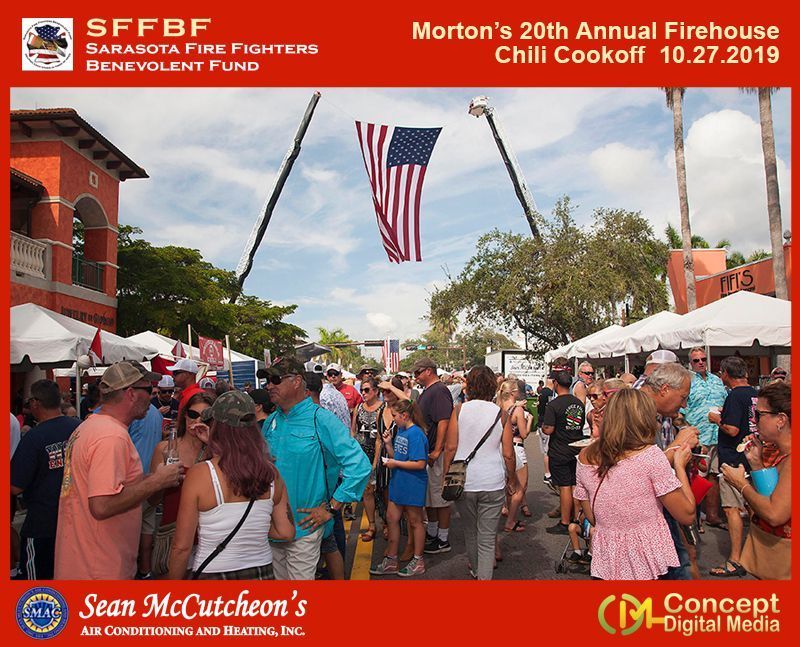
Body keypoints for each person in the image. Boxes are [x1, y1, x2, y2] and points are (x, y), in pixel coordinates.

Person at [54, 361, 183, 579]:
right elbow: (102, 505)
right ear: (131, 393)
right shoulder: (111, 436)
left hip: (83, 562)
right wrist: (156, 481)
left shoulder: (90, 426)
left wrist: (154, 478)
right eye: (148, 389)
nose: (151, 395)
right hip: (100, 569)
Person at [263, 357, 370, 580]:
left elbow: (359, 465)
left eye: (275, 380)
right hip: (270, 528)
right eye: (267, 381)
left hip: (304, 529)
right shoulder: (270, 421)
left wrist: (332, 507)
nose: (269, 385)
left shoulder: (320, 419)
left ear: (296, 381)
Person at [168, 391, 294, 579]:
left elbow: (181, 547)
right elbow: (286, 532)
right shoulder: (271, 474)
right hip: (262, 574)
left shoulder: (201, 474)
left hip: (214, 574)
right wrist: (252, 530)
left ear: (217, 428)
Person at [574, 389, 696, 580]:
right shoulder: (650, 456)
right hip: (648, 559)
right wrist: (680, 466)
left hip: (607, 558)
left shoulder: (584, 457)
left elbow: (591, 514)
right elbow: (687, 514)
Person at [443, 366, 517, 579]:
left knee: (470, 532)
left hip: (464, 481)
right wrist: (512, 479)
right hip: (492, 481)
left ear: (470, 386)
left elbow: (450, 448)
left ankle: (476, 571)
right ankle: (484, 578)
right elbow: (508, 454)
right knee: (487, 538)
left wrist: (445, 476)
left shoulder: (459, 410)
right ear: (493, 386)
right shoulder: (501, 414)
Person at [721, 380, 791, 580]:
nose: (753, 420)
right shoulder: (781, 454)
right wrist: (756, 464)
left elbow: (774, 514)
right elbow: (772, 495)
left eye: (759, 414)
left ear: (781, 420)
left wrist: (740, 484)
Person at [11, 380, 81, 579]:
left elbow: (15, 486)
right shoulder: (79, 428)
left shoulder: (34, 437)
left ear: (35, 403)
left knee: (37, 585)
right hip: (76, 520)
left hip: (43, 523)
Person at [639, 362, 700, 580]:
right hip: (646, 518)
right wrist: (677, 449)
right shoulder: (635, 412)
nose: (684, 405)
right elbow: (636, 472)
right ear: (665, 389)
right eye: (682, 397)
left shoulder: (647, 410)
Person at [148, 392, 215, 577]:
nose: (198, 421)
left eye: (205, 417)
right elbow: (152, 501)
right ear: (184, 416)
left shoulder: (216, 452)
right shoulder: (165, 449)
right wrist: (161, 480)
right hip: (172, 534)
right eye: (193, 415)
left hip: (208, 538)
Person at [708, 356, 758, 577]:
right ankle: (755, 552)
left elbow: (732, 429)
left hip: (733, 459)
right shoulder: (754, 393)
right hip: (752, 456)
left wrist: (716, 419)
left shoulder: (735, 395)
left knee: (731, 508)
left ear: (726, 374)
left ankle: (735, 559)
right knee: (753, 506)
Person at [370, 399, 429, 577]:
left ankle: (418, 560)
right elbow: (399, 457)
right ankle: (391, 559)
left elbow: (420, 463)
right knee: (391, 518)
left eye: (395, 416)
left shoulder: (416, 434)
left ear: (404, 415)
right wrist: (388, 444)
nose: (393, 419)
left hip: (413, 483)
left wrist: (395, 463)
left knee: (415, 521)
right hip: (399, 481)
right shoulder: (402, 431)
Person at [413, 357, 454, 554]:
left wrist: (438, 450)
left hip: (436, 454)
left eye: (418, 372)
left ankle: (443, 539)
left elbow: (444, 421)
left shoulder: (439, 391)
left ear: (428, 371)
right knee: (430, 498)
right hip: (428, 452)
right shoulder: (428, 391)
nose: (415, 377)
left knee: (440, 498)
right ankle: (433, 533)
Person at [684, 347, 728, 531]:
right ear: (691, 363)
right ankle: (693, 519)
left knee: (713, 476)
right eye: (696, 360)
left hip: (717, 435)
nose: (701, 362)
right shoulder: (687, 382)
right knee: (695, 478)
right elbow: (681, 411)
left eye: (703, 359)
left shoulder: (717, 381)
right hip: (698, 437)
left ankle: (712, 515)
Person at [542, 370, 585, 535]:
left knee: (565, 486)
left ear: (556, 384)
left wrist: (544, 427)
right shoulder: (578, 403)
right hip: (576, 447)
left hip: (560, 449)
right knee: (574, 485)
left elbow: (549, 429)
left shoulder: (553, 405)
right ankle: (576, 518)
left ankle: (565, 522)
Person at [497, 378, 532, 530]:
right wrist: (529, 420)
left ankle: (507, 511)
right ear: (513, 392)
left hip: (501, 447)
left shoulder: (498, 407)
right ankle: (511, 521)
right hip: (516, 447)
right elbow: (523, 434)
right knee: (520, 487)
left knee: (508, 483)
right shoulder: (517, 410)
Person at [350, 376, 382, 542]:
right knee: (367, 490)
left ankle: (387, 523)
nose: (363, 393)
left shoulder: (383, 408)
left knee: (382, 490)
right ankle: (372, 525)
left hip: (379, 453)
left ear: (375, 391)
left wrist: (375, 462)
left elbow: (380, 439)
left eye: (367, 390)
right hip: (362, 454)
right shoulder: (358, 408)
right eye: (362, 390)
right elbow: (353, 431)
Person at [537, 377, 555, 489]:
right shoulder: (549, 393)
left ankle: (548, 473)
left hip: (541, 422)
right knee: (547, 450)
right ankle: (548, 474)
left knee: (545, 449)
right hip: (546, 423)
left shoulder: (541, 392)